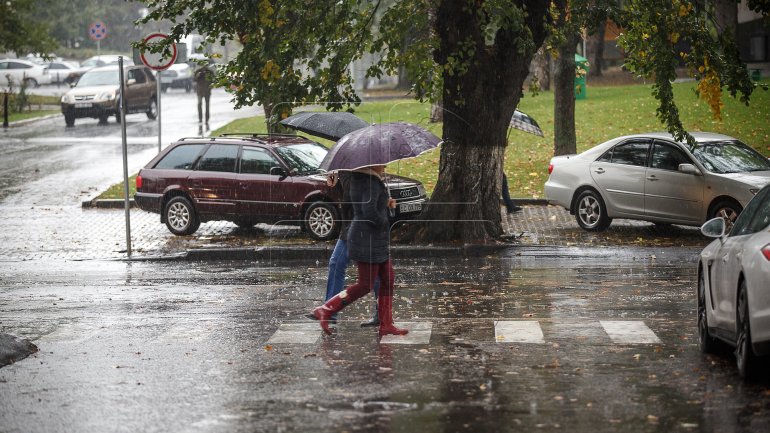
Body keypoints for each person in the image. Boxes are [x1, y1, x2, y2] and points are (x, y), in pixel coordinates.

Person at [309, 165, 408, 337]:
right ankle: (326, 309)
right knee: (365, 284)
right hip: (366, 238)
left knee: (387, 278)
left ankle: (386, 323)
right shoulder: (369, 182)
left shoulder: (367, 180)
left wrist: (385, 204)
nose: (384, 165)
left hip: (372, 238)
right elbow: (367, 212)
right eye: (381, 163)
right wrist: (384, 219)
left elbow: (364, 205)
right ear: (371, 164)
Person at [310, 172, 380, 326]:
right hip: (351, 227)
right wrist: (335, 186)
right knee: (338, 263)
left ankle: (381, 312)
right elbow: (346, 199)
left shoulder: (362, 169)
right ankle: (330, 310)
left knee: (371, 272)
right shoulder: (346, 171)